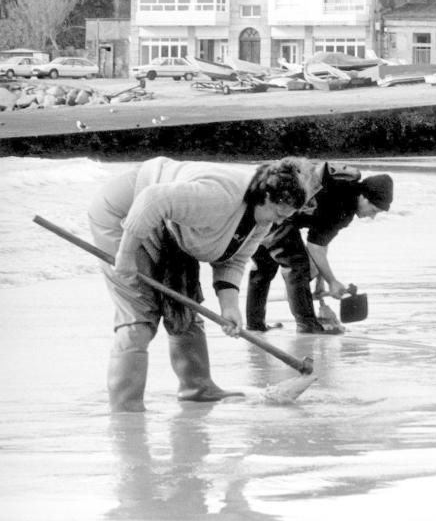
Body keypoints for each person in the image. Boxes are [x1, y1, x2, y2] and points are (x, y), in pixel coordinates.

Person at [88, 156, 318, 412]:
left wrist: (229, 308)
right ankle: (126, 407)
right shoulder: (218, 196)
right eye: (278, 212)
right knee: (139, 318)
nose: (277, 221)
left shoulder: (261, 219)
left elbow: (234, 259)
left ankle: (197, 388)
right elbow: (152, 200)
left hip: (172, 228)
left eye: (285, 217)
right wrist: (126, 254)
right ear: (264, 195)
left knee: (184, 309)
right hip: (126, 214)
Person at [245, 164, 393, 335]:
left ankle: (254, 326)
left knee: (264, 268)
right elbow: (315, 246)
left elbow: (321, 242)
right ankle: (307, 326)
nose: (372, 216)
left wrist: (321, 281)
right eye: (374, 210)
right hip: (277, 211)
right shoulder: (343, 207)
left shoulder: (343, 189)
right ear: (364, 197)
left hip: (257, 201)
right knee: (296, 265)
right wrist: (332, 281)